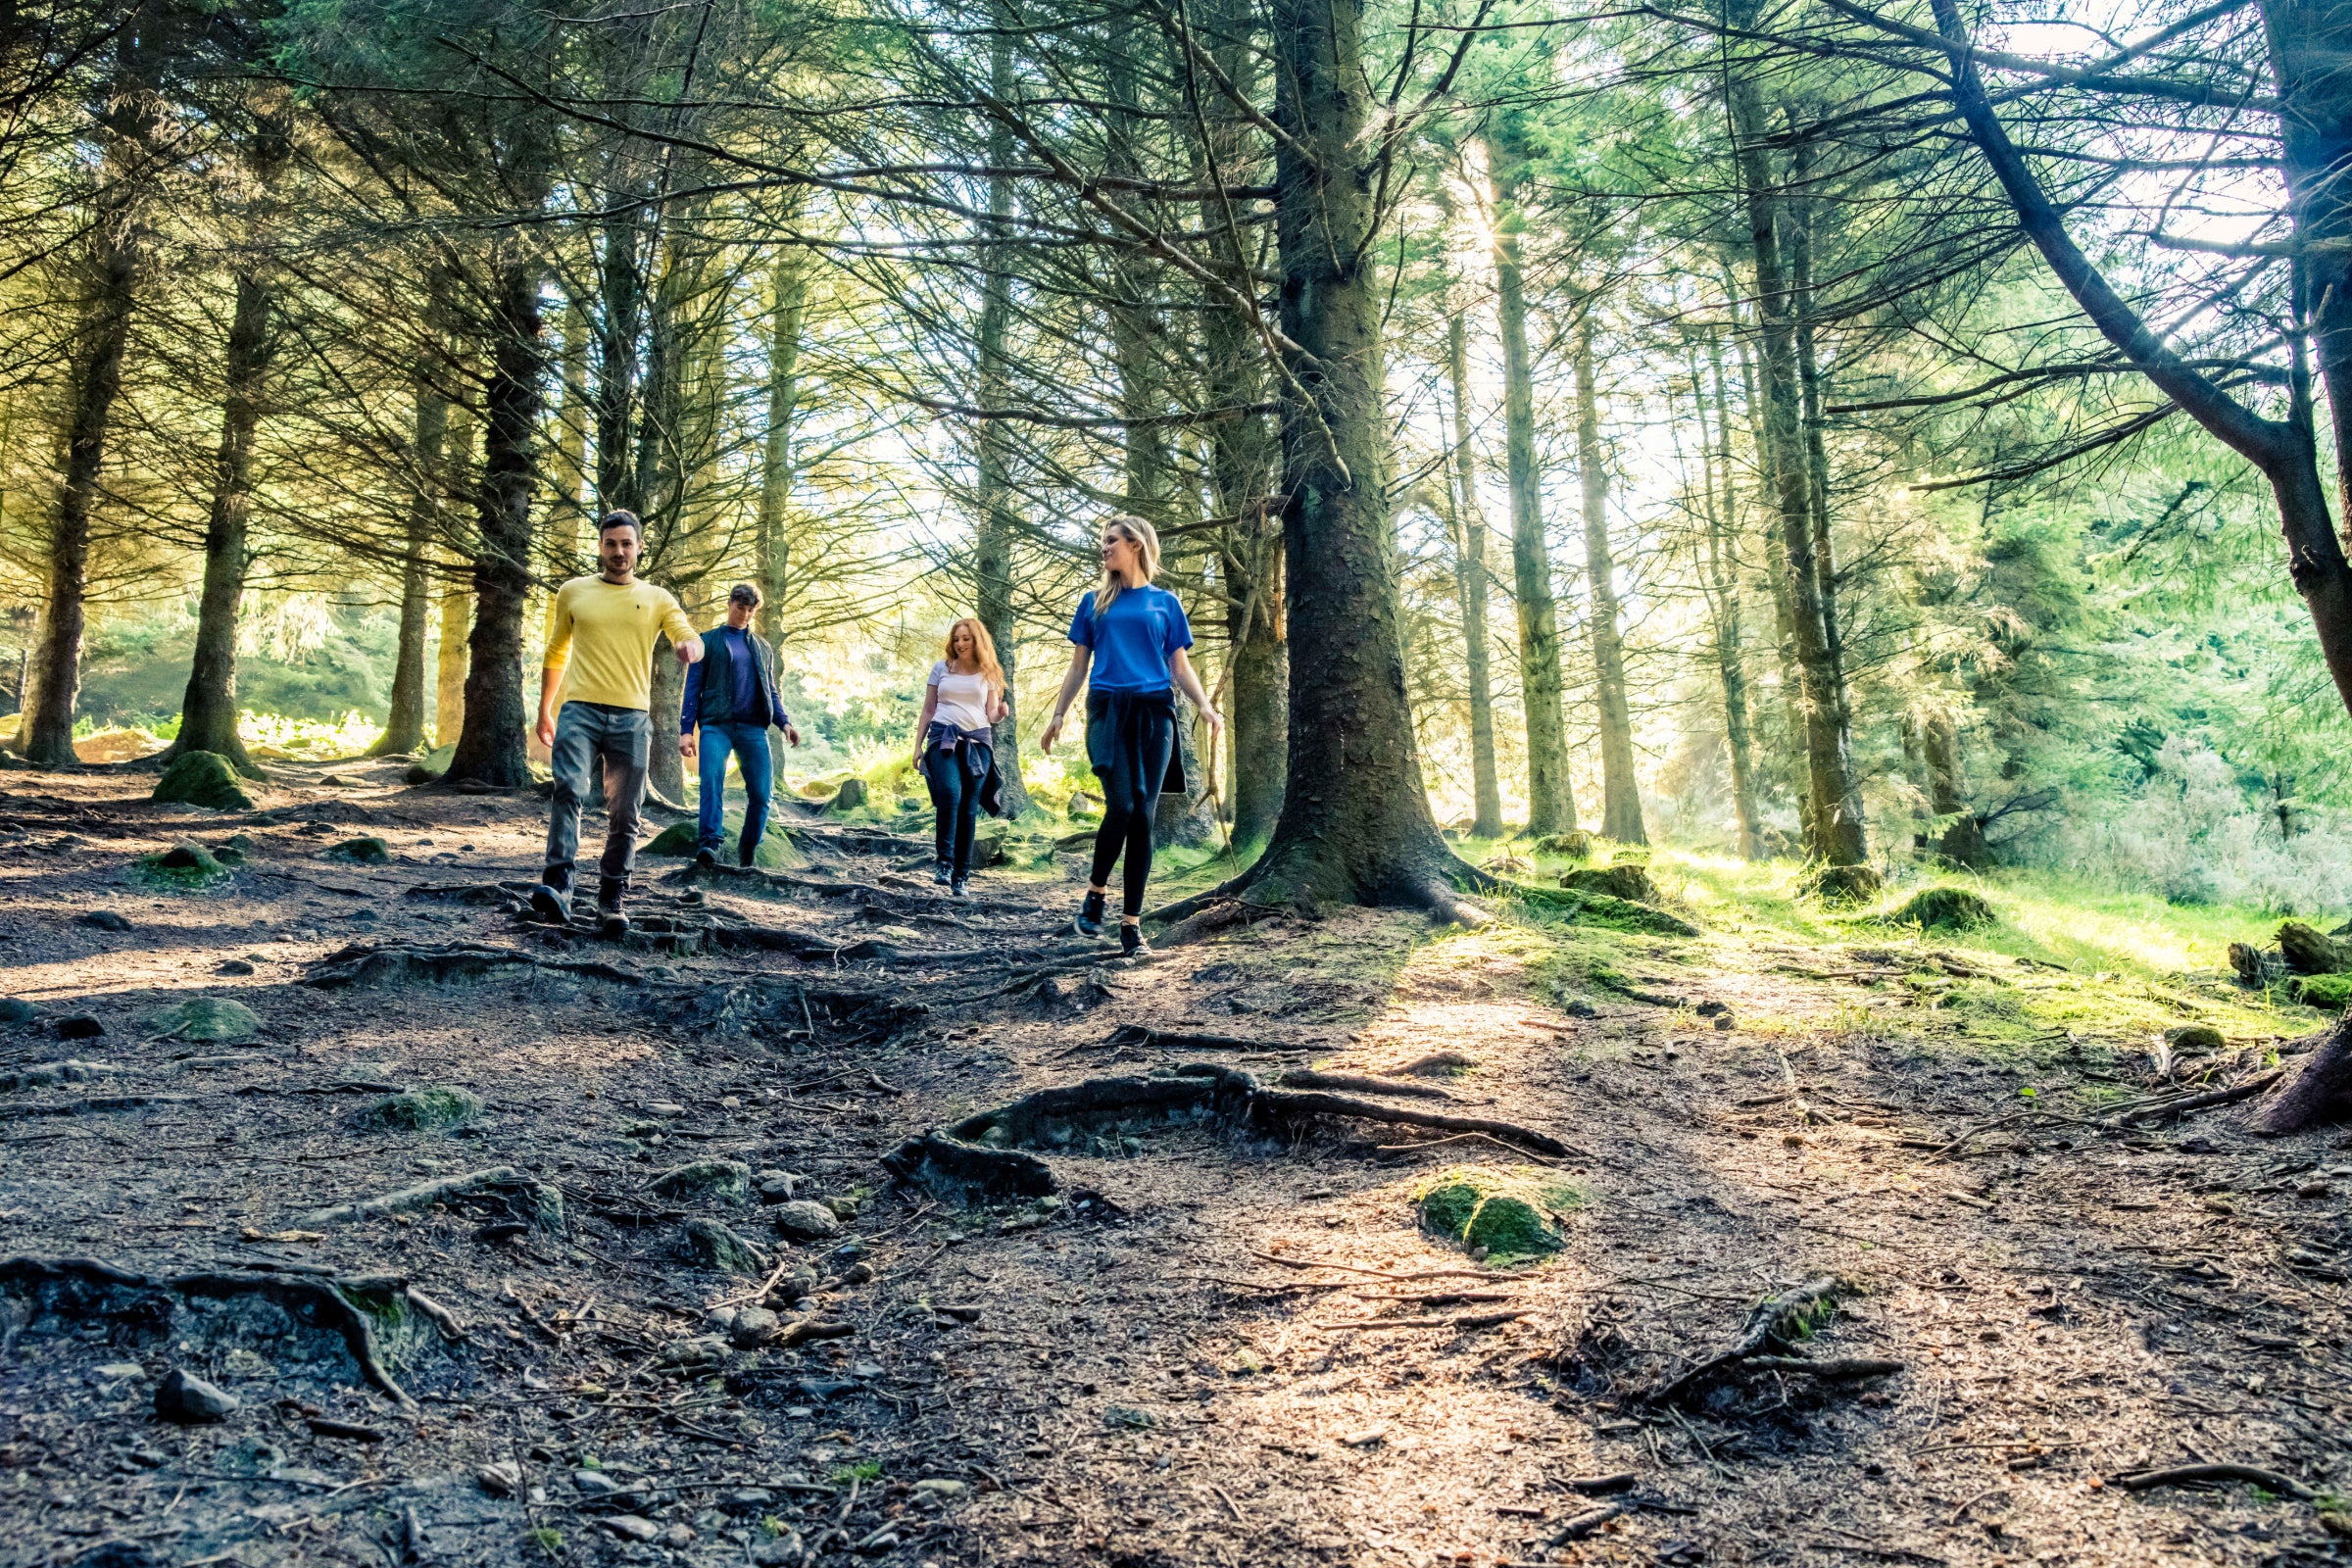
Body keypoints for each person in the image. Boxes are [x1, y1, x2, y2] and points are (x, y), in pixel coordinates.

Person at [1040, 514, 1222, 956]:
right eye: (1102, 542)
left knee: (1144, 814)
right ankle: (1096, 892)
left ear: (1136, 544)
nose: (1103, 549)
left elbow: (1179, 666)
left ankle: (1131, 926)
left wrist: (1204, 705)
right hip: (1108, 711)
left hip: (1155, 713)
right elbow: (1079, 665)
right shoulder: (1094, 603)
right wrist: (1059, 714)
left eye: (1110, 541)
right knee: (1121, 804)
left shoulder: (1166, 604)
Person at [530, 511, 702, 937]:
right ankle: (559, 887)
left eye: (627, 544)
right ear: (600, 546)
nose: (619, 552)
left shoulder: (658, 597)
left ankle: (611, 898)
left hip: (631, 718)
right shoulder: (573, 592)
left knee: (626, 813)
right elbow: (556, 652)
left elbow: (684, 631)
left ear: (640, 547)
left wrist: (689, 646)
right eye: (611, 544)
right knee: (569, 790)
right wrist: (544, 709)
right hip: (579, 711)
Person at [681, 582, 803, 869]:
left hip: (753, 729)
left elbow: (770, 690)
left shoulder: (762, 647)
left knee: (762, 794)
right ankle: (710, 843)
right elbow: (692, 689)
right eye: (740, 608)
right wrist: (686, 731)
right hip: (716, 726)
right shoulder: (707, 642)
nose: (745, 615)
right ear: (729, 604)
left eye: (750, 610)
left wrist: (784, 722)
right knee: (711, 780)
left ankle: (747, 850)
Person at [910, 617, 1009, 898]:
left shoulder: (989, 673)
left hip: (977, 742)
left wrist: (1000, 714)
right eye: (956, 639)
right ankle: (943, 863)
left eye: (966, 638)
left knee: (968, 808)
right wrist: (918, 746)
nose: (960, 644)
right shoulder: (941, 668)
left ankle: (961, 877)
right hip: (944, 737)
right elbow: (928, 709)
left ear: (977, 641)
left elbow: (991, 714)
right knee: (949, 794)